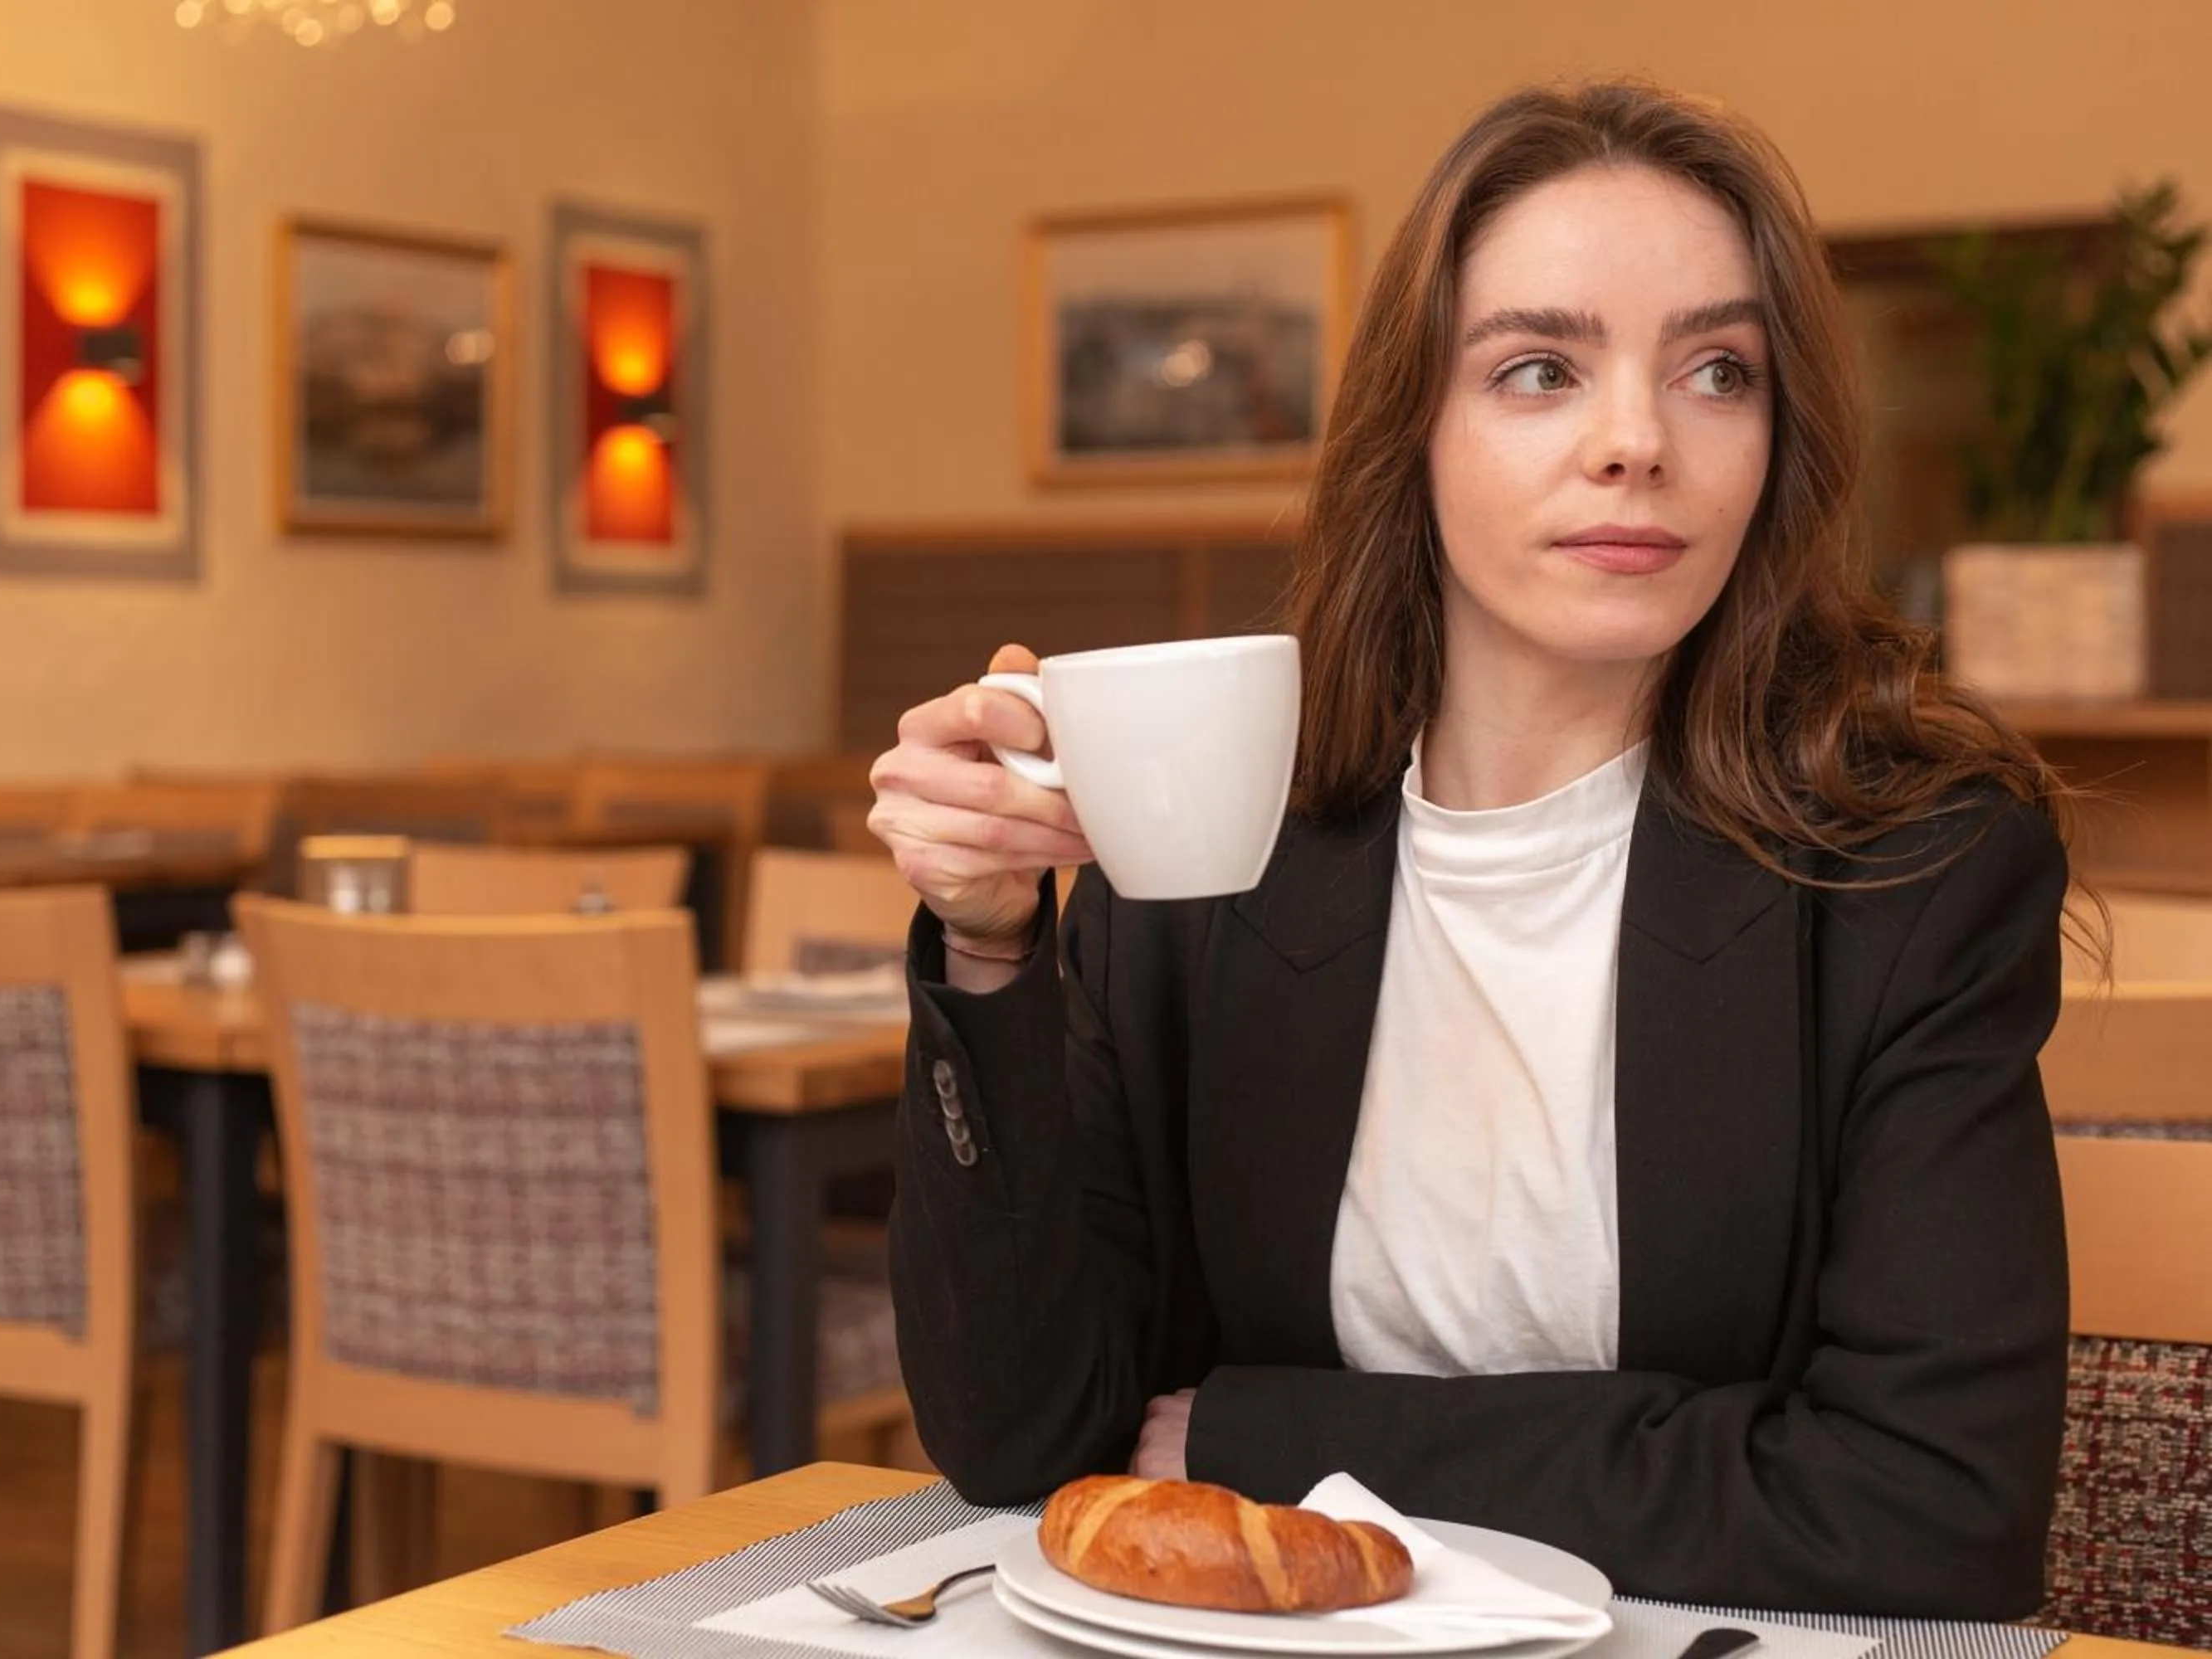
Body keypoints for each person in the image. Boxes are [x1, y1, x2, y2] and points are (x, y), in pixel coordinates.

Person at [865, 80, 2076, 1618]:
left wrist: (1263, 1433)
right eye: (1539, 370)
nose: (1637, 441)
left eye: (1717, 370)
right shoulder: (1221, 839)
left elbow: (1932, 1512)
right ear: (1413, 429)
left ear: (1783, 436)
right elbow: (1026, 1439)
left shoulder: (1916, 871)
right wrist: (989, 946)